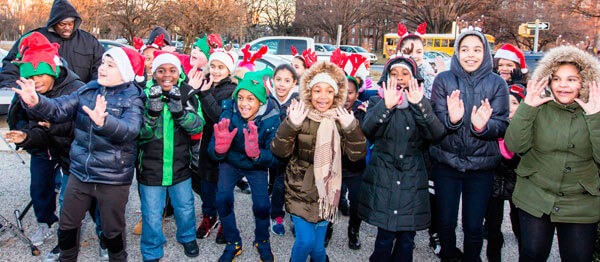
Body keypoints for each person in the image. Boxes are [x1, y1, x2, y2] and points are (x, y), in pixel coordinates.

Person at [12, 46, 145, 261]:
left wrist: (105, 122)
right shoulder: (89, 90)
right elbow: (59, 108)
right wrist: (36, 101)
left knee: (113, 229)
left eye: (110, 65)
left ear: (124, 71)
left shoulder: (133, 97)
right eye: (103, 63)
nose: (102, 68)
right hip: (80, 173)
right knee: (68, 224)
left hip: (112, 178)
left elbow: (130, 130)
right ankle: (67, 258)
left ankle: (117, 258)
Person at [2, 32, 108, 261]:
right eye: (30, 76)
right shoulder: (28, 90)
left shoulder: (75, 88)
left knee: (88, 200)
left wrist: (53, 126)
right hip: (43, 149)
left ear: (53, 70)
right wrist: (24, 135)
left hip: (74, 152)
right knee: (41, 188)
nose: (36, 81)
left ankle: (104, 236)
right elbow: (20, 118)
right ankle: (54, 231)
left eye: (41, 74)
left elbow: (85, 128)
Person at [505, 45, 600, 262]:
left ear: (584, 82)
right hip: (536, 195)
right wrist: (527, 108)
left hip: (581, 200)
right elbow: (514, 145)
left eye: (571, 79)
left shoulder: (595, 109)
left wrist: (596, 117)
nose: (563, 85)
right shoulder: (538, 106)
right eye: (557, 79)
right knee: (532, 254)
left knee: (578, 257)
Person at [271, 61, 367, 262]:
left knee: (318, 249)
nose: (323, 96)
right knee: (305, 242)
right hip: (300, 190)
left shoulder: (342, 120)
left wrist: (352, 129)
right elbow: (279, 151)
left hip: (327, 195)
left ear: (336, 95)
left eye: (329, 91)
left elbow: (356, 156)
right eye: (317, 90)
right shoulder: (299, 115)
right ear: (309, 92)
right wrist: (290, 124)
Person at [429, 28, 509, 262]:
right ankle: (449, 256)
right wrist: (452, 120)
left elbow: (502, 124)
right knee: (445, 221)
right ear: (456, 52)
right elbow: (435, 124)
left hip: (481, 166)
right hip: (447, 163)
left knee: (474, 225)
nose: (470, 55)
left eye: (477, 49)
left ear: (485, 53)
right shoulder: (443, 80)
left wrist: (482, 127)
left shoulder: (497, 84)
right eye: (464, 49)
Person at [360, 54, 444, 261]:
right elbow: (368, 130)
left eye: (405, 73)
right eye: (394, 73)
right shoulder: (376, 100)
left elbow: (436, 134)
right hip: (384, 176)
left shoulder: (423, 103)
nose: (399, 78)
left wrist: (419, 106)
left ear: (414, 78)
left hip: (412, 178)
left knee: (407, 237)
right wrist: (385, 106)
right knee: (385, 236)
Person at [137, 51, 205, 261]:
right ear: (154, 73)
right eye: (161, 70)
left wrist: (181, 114)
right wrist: (152, 115)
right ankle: (152, 248)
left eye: (172, 70)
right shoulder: (143, 95)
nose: (167, 75)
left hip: (180, 165)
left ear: (179, 72)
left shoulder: (187, 94)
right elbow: (138, 134)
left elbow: (198, 126)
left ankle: (187, 237)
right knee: (151, 213)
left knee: (185, 206)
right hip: (150, 166)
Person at [207, 68, 280, 262]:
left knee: (263, 205)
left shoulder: (272, 118)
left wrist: (257, 154)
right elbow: (211, 150)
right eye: (240, 98)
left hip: (256, 165)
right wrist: (219, 150)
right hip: (231, 161)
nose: (244, 104)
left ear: (261, 101)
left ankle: (262, 240)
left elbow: (276, 158)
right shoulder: (228, 111)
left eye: (250, 99)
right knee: (222, 199)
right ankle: (233, 241)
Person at [483, 44, 530, 262]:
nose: (504, 69)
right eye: (501, 64)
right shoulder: (490, 87)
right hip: (494, 172)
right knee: (492, 224)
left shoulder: (527, 95)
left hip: (517, 175)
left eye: (509, 65)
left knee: (520, 221)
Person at [191, 49, 238, 243]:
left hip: (225, 144)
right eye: (214, 66)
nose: (216, 71)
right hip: (206, 142)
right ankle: (209, 216)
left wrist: (203, 94)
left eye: (221, 67)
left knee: (223, 186)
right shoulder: (205, 83)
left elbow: (219, 116)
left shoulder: (232, 90)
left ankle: (226, 221)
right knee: (207, 184)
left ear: (229, 70)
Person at [0, 0, 104, 86]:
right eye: (62, 24)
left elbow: (100, 68)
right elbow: (11, 65)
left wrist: (92, 91)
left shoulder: (89, 41)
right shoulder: (34, 38)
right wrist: (10, 88)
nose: (67, 28)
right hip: (41, 99)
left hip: (79, 99)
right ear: (54, 23)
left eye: (70, 24)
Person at [268, 64, 299, 236]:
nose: (281, 84)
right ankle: (277, 216)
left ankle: (297, 216)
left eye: (287, 80)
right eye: (278, 79)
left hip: (295, 153)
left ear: (294, 83)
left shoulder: (298, 101)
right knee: (278, 185)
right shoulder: (268, 101)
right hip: (275, 151)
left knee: (294, 186)